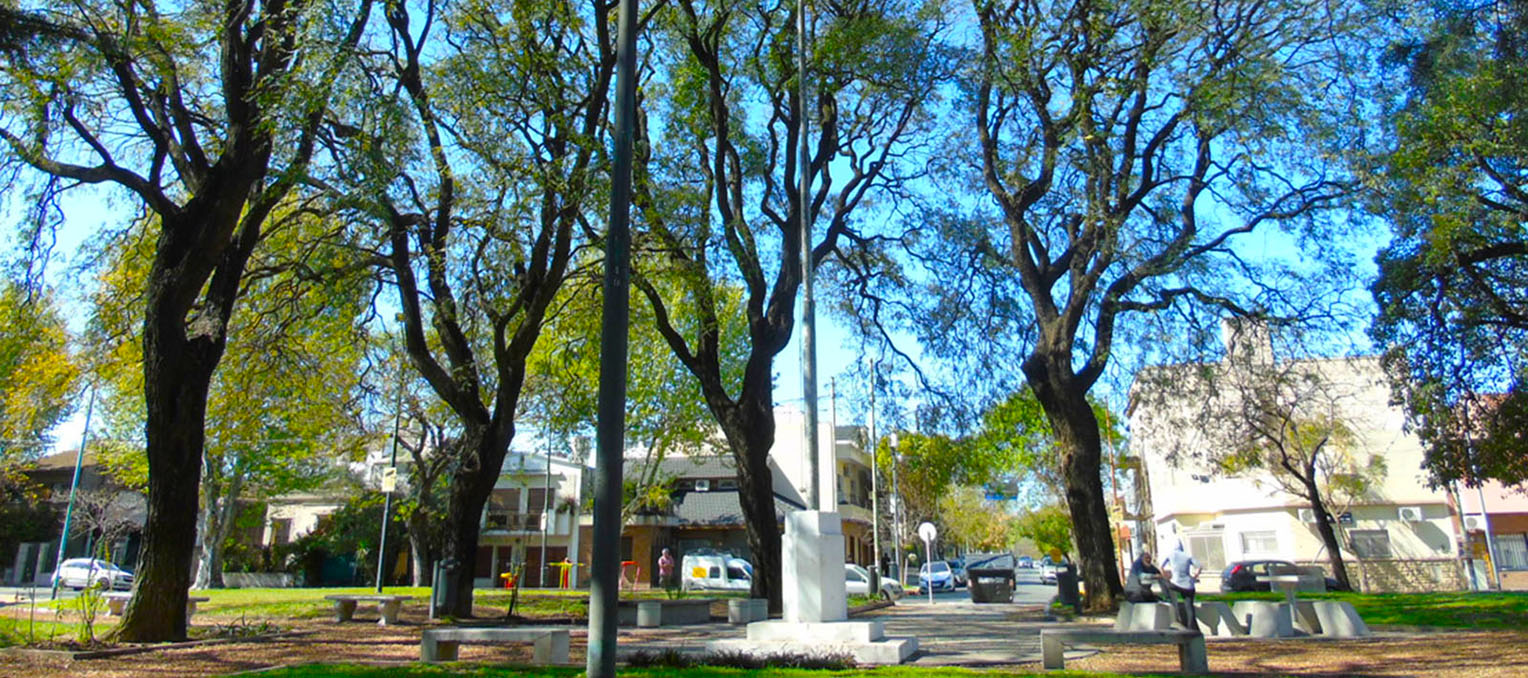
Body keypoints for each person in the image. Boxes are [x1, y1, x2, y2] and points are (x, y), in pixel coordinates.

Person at [1160, 542, 1202, 629]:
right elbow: (1199, 566)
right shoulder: (1187, 555)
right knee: (1189, 607)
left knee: (1164, 583)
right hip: (1189, 585)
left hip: (1176, 584)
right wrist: (1195, 576)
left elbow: (1161, 567)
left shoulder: (1171, 554)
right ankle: (1192, 628)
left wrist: (1165, 576)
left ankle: (1168, 599)